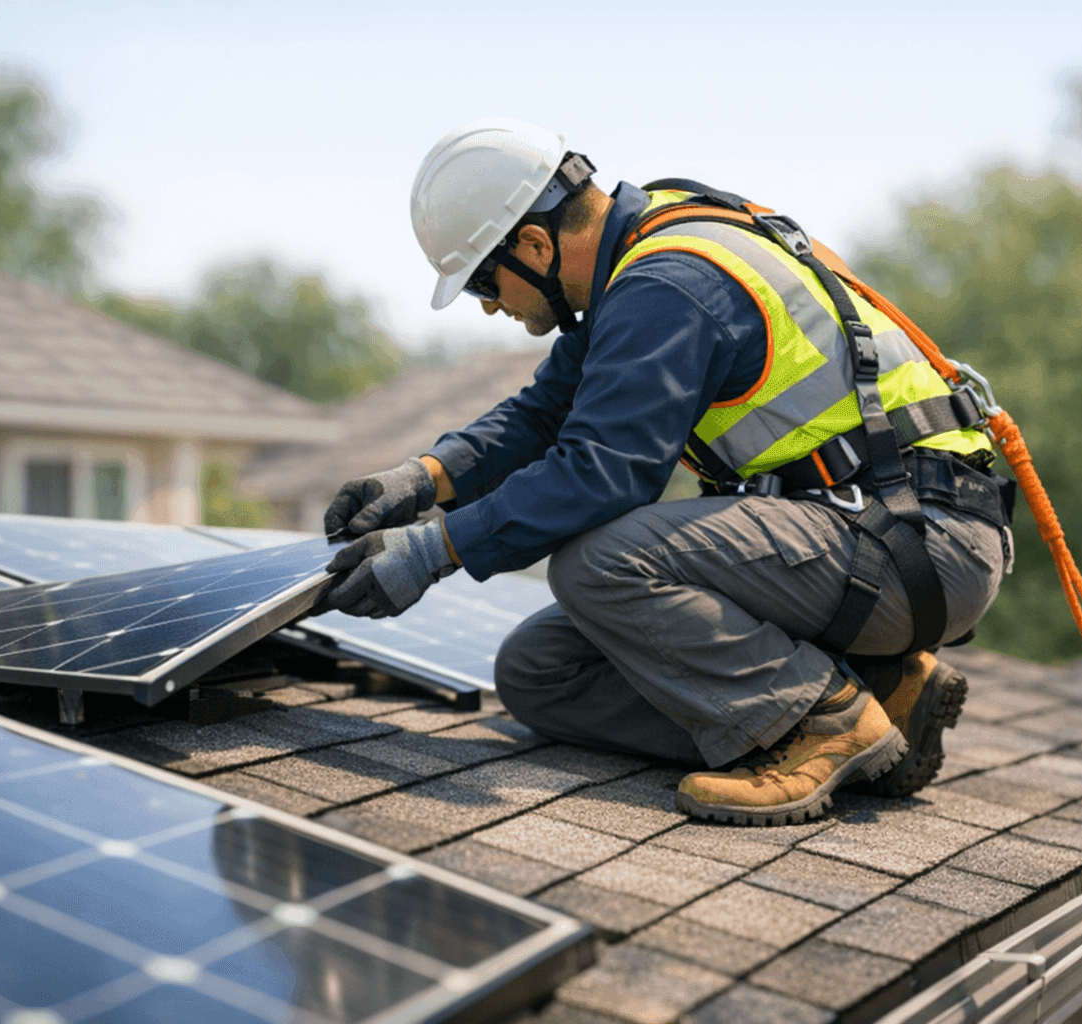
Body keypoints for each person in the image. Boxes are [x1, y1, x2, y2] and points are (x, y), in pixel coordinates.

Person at [315, 118, 1013, 826]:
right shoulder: (650, 244)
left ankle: (820, 724)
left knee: (595, 564)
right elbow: (545, 414)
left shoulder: (669, 286)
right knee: (542, 673)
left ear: (533, 244)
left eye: (482, 284)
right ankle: (882, 692)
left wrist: (435, 551)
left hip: (919, 541)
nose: (493, 305)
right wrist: (422, 478)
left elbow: (600, 475)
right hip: (864, 539)